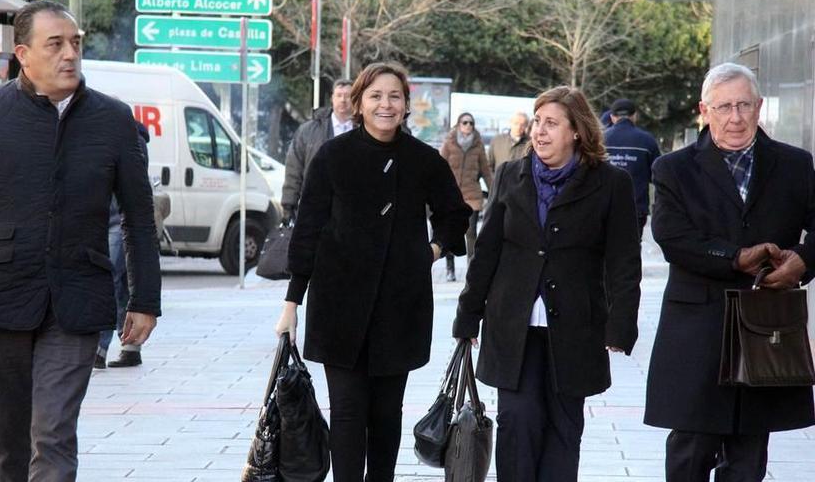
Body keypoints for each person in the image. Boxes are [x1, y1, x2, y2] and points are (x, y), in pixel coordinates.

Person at [0, 1, 161, 480]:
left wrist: (145, 299)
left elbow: (140, 217)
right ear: (23, 54)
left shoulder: (114, 120)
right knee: (8, 445)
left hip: (77, 302)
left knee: (54, 435)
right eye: (54, 44)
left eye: (75, 43)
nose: (69, 55)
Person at [274, 62, 471, 481]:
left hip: (399, 306)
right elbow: (307, 229)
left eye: (394, 96)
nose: (386, 104)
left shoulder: (423, 160)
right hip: (338, 304)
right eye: (376, 96)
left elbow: (456, 216)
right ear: (359, 103)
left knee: (386, 412)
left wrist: (431, 252)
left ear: (406, 106)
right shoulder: (332, 156)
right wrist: (292, 302)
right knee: (346, 412)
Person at [453, 85, 641, 481]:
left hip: (575, 328)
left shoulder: (610, 183)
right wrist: (468, 315)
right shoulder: (510, 175)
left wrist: (621, 323)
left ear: (577, 131)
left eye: (551, 123)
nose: (539, 131)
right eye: (537, 121)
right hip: (512, 326)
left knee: (563, 429)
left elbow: (623, 261)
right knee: (517, 424)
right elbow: (486, 252)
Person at [644, 62, 815, 481]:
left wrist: (803, 260)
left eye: (743, 105)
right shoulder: (673, 168)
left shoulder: (794, 164)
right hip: (697, 328)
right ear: (705, 110)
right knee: (691, 447)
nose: (735, 117)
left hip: (765, 324)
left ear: (759, 107)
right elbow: (673, 237)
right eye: (723, 107)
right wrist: (734, 257)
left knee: (749, 451)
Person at [95, 123, 151, 370]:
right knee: (120, 283)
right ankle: (130, 347)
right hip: (109, 219)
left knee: (111, 278)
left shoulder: (131, 140)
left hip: (118, 220)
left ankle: (101, 347)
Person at [280, 78, 354, 222]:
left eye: (348, 96)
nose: (343, 100)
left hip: (352, 210)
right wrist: (288, 206)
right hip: (316, 207)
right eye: (339, 95)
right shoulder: (309, 131)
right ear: (332, 98)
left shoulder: (367, 130)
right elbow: (294, 169)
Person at [440, 112, 493, 282]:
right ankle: (450, 269)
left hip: (472, 195)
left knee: (471, 233)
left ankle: (472, 268)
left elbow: (485, 171)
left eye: (471, 123)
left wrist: (494, 190)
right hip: (451, 195)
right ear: (458, 124)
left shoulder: (478, 146)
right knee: (451, 231)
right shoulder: (449, 143)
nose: (468, 126)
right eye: (465, 122)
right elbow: (439, 166)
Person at [603, 98, 661, 238]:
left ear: (612, 117)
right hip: (636, 208)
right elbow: (657, 174)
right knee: (632, 249)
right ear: (635, 116)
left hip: (604, 206)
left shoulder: (600, 139)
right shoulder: (647, 140)